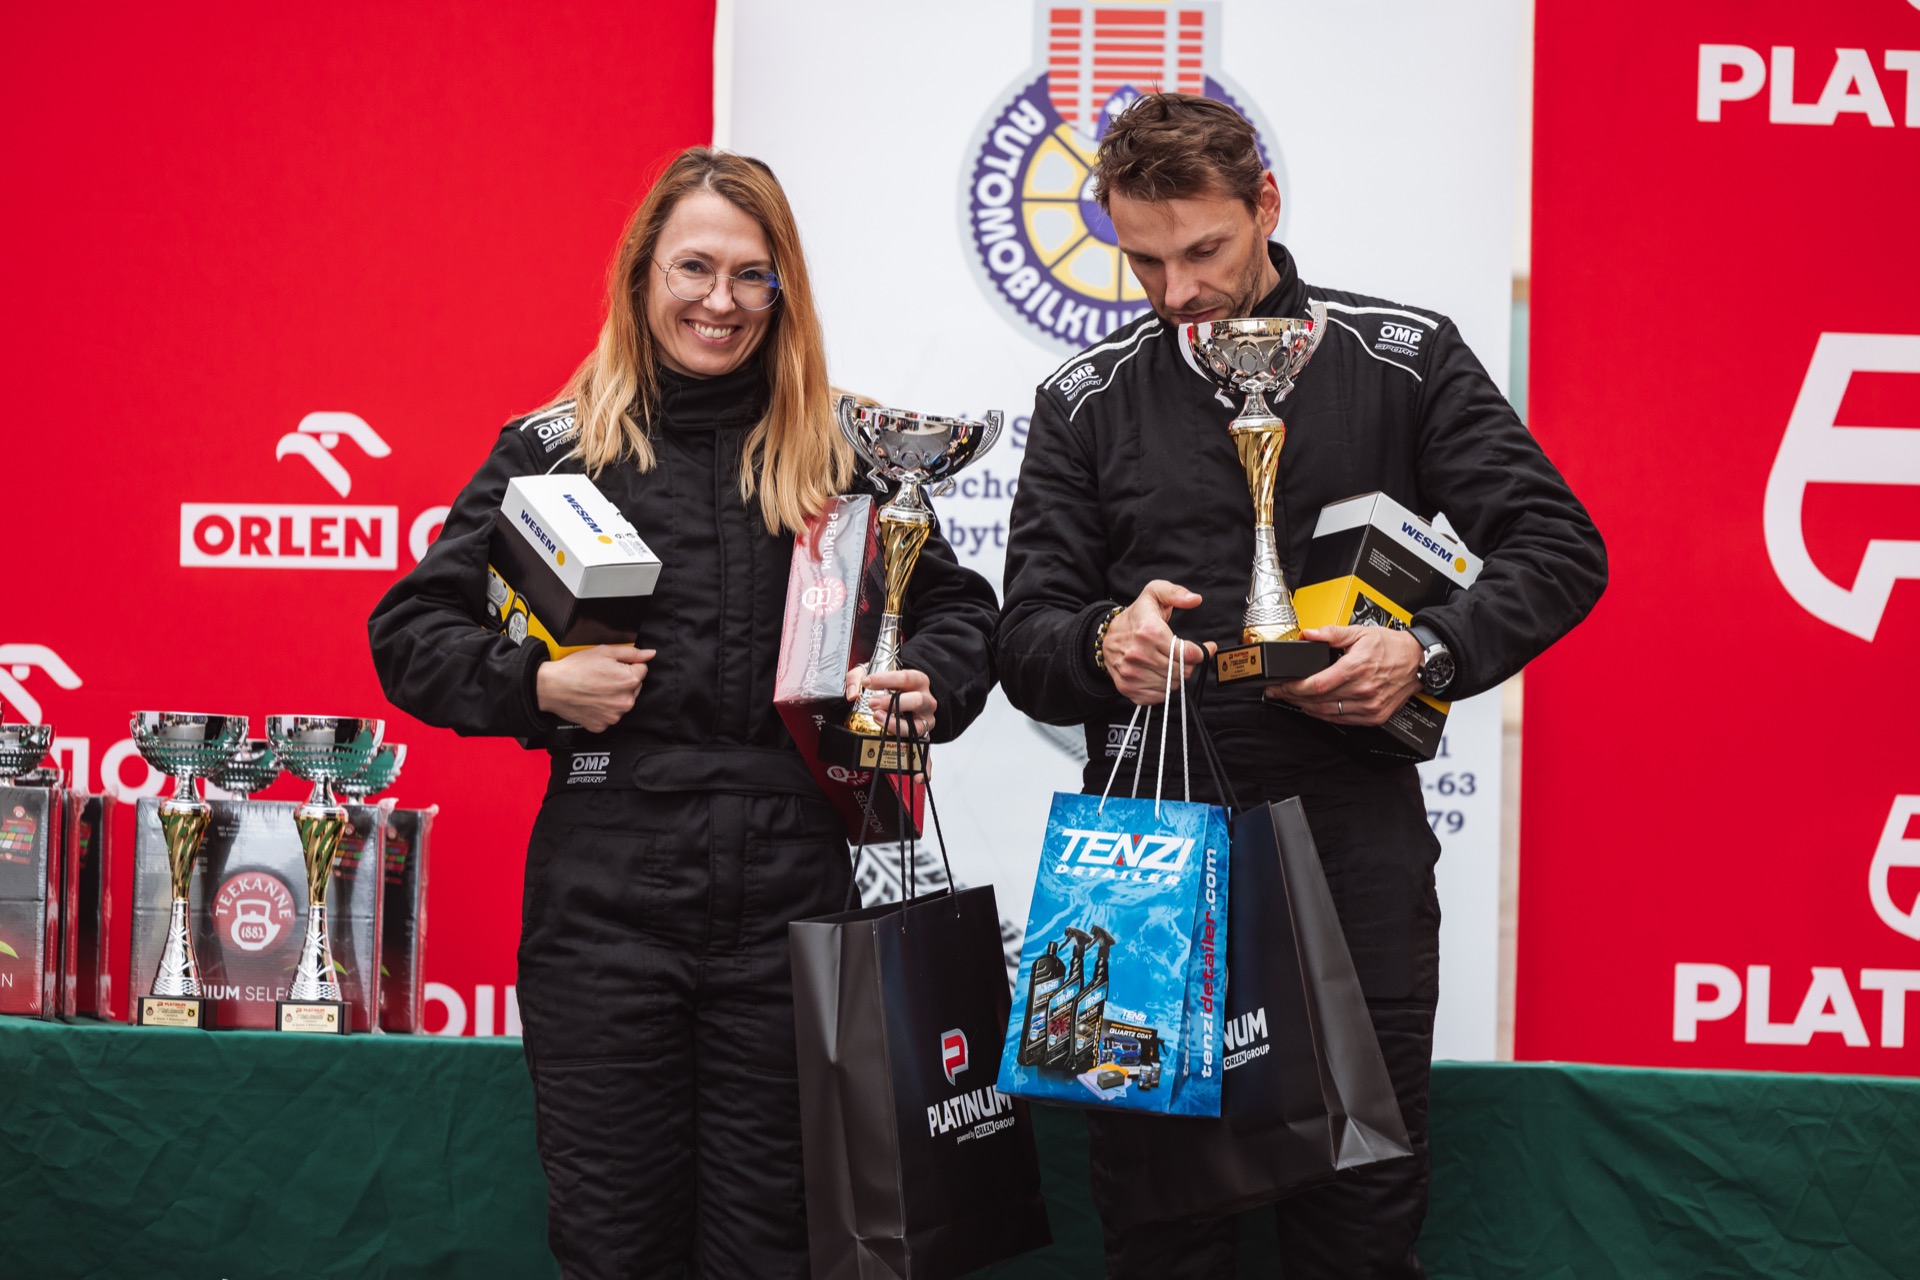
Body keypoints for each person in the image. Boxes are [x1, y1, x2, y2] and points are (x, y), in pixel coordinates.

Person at [996, 94, 1606, 1278]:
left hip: (1349, 839)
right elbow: (1024, 636)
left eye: (1204, 249)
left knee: (1359, 1222)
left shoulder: (1404, 356)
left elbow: (1559, 547)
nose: (1178, 290)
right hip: (1146, 850)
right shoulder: (1083, 398)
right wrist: (1100, 644)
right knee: (1160, 1230)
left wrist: (1428, 650)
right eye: (1144, 261)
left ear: (1266, 203)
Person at [367, 148, 999, 1279]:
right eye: (694, 268)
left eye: (752, 275)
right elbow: (410, 632)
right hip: (607, 899)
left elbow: (958, 613)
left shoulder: (843, 451)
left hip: (798, 892)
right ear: (642, 275)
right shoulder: (559, 447)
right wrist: (538, 685)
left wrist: (925, 684)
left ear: (783, 290)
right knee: (617, 1248)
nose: (721, 300)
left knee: (772, 1252)